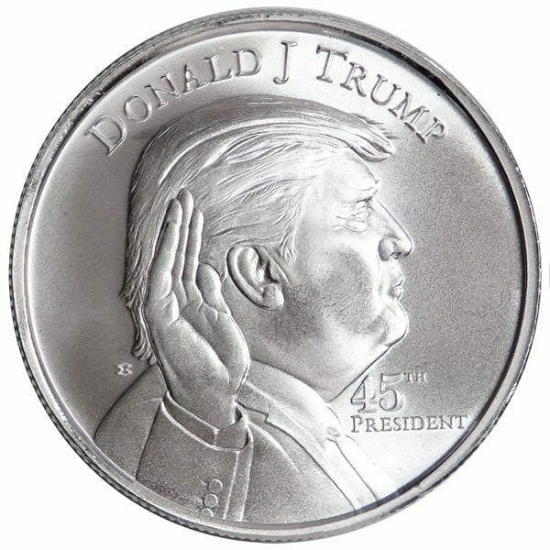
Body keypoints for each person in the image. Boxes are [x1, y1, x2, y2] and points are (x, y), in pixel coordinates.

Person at [95, 95, 413, 523]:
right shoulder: (180, 427)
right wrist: (201, 414)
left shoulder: (280, 415)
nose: (400, 240)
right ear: (262, 273)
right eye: (360, 211)